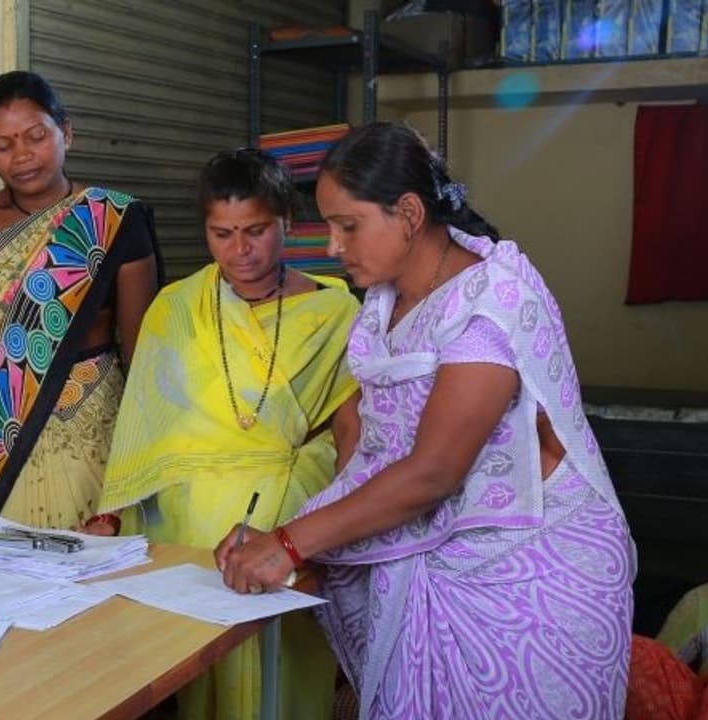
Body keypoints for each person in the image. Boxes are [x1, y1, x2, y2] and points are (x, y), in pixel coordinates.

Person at [215, 122, 636, 719]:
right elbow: (366, 436)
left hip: (529, 575)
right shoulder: (388, 299)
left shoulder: (489, 305)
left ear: (408, 213)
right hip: (440, 548)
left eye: (348, 225)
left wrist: (288, 543)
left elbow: (434, 472)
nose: (333, 247)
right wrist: (292, 538)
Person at [92, 148, 360, 720]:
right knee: (191, 674)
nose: (240, 251)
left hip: (281, 518)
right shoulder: (177, 305)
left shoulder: (337, 312)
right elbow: (145, 421)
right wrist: (110, 513)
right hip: (184, 526)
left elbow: (350, 432)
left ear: (288, 221)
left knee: (278, 678)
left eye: (257, 231)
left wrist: (339, 533)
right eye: (222, 233)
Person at [0, 71, 160, 537]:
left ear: (66, 132)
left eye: (36, 136)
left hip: (88, 433)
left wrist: (140, 467)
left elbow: (142, 356)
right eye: (2, 144)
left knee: (90, 589)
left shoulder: (114, 219)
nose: (22, 156)